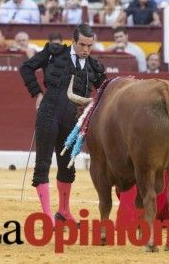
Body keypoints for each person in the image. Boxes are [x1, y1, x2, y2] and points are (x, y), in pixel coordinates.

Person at [19, 24, 106, 224]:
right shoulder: (54, 53)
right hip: (49, 112)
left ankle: (63, 212)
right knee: (43, 164)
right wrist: (37, 93)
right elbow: (26, 68)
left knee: (68, 166)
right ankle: (47, 215)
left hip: (73, 120)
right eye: (82, 45)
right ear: (73, 41)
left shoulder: (94, 66)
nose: (85, 50)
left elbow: (105, 91)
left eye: (89, 46)